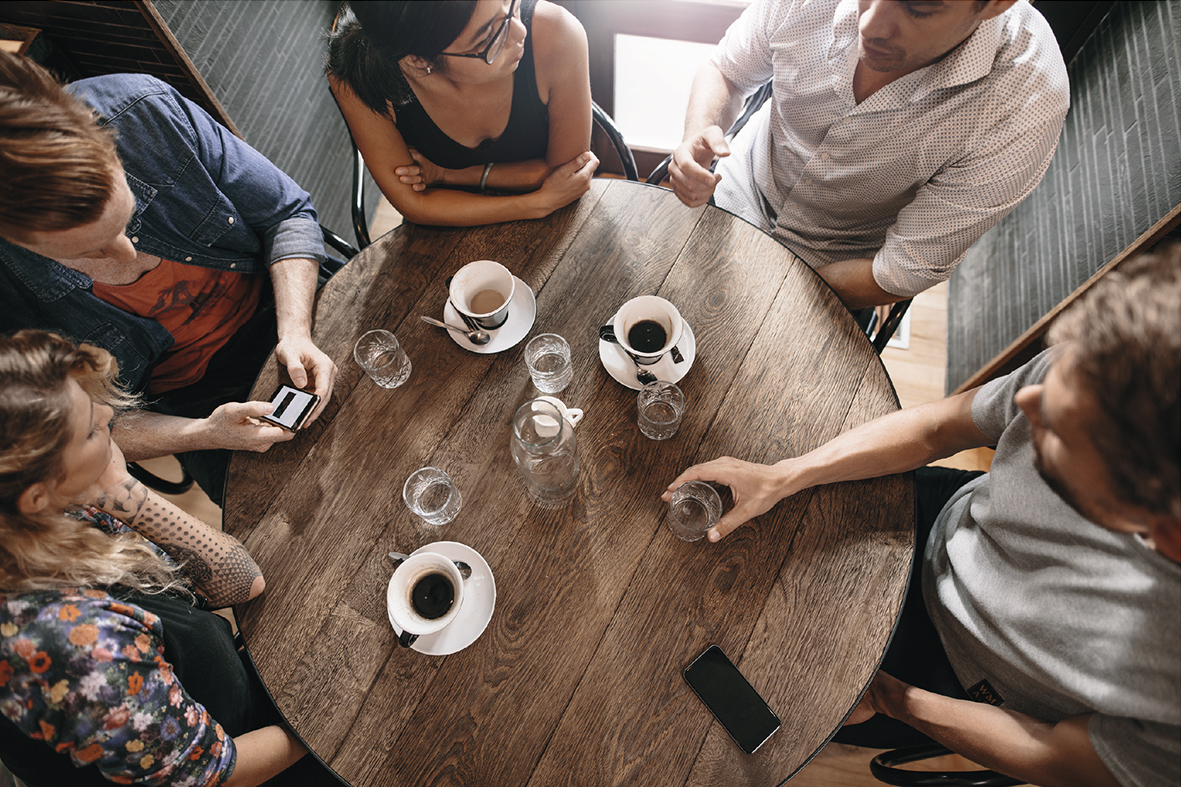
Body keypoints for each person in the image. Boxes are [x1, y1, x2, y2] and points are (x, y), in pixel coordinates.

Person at [663, 246, 1181, 787]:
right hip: (946, 519)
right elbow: (940, 430)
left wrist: (893, 698)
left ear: (1159, 528)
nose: (1025, 402)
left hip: (951, 677)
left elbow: (1058, 756)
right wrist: (787, 474)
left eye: (1055, 427)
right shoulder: (1104, 375)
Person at [0, 52, 339, 506]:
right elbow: (83, 427)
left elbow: (286, 215)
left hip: (286, 302)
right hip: (194, 397)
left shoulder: (142, 110)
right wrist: (205, 433)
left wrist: (295, 329)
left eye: (127, 219)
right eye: (89, 249)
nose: (128, 252)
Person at [0, 330, 322, 786]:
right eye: (92, 429)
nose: (110, 416)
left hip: (213, 696)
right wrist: (315, 727)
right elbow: (216, 772)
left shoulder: (51, 508)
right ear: (36, 495)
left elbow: (240, 581)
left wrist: (115, 487)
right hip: (232, 752)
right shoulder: (79, 648)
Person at [669, 0, 1070, 310]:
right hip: (734, 188)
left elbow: (898, 270)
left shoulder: (1027, 99)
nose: (869, 25)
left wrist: (775, 290)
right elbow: (728, 70)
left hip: (834, 268)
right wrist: (696, 132)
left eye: (918, 8)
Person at [326, 0, 599, 228]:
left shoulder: (556, 32)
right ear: (418, 60)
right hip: (445, 233)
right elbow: (415, 205)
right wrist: (536, 203)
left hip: (559, 220)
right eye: (488, 38)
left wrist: (448, 176)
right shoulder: (355, 75)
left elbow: (569, 175)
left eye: (508, 3)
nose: (519, 32)